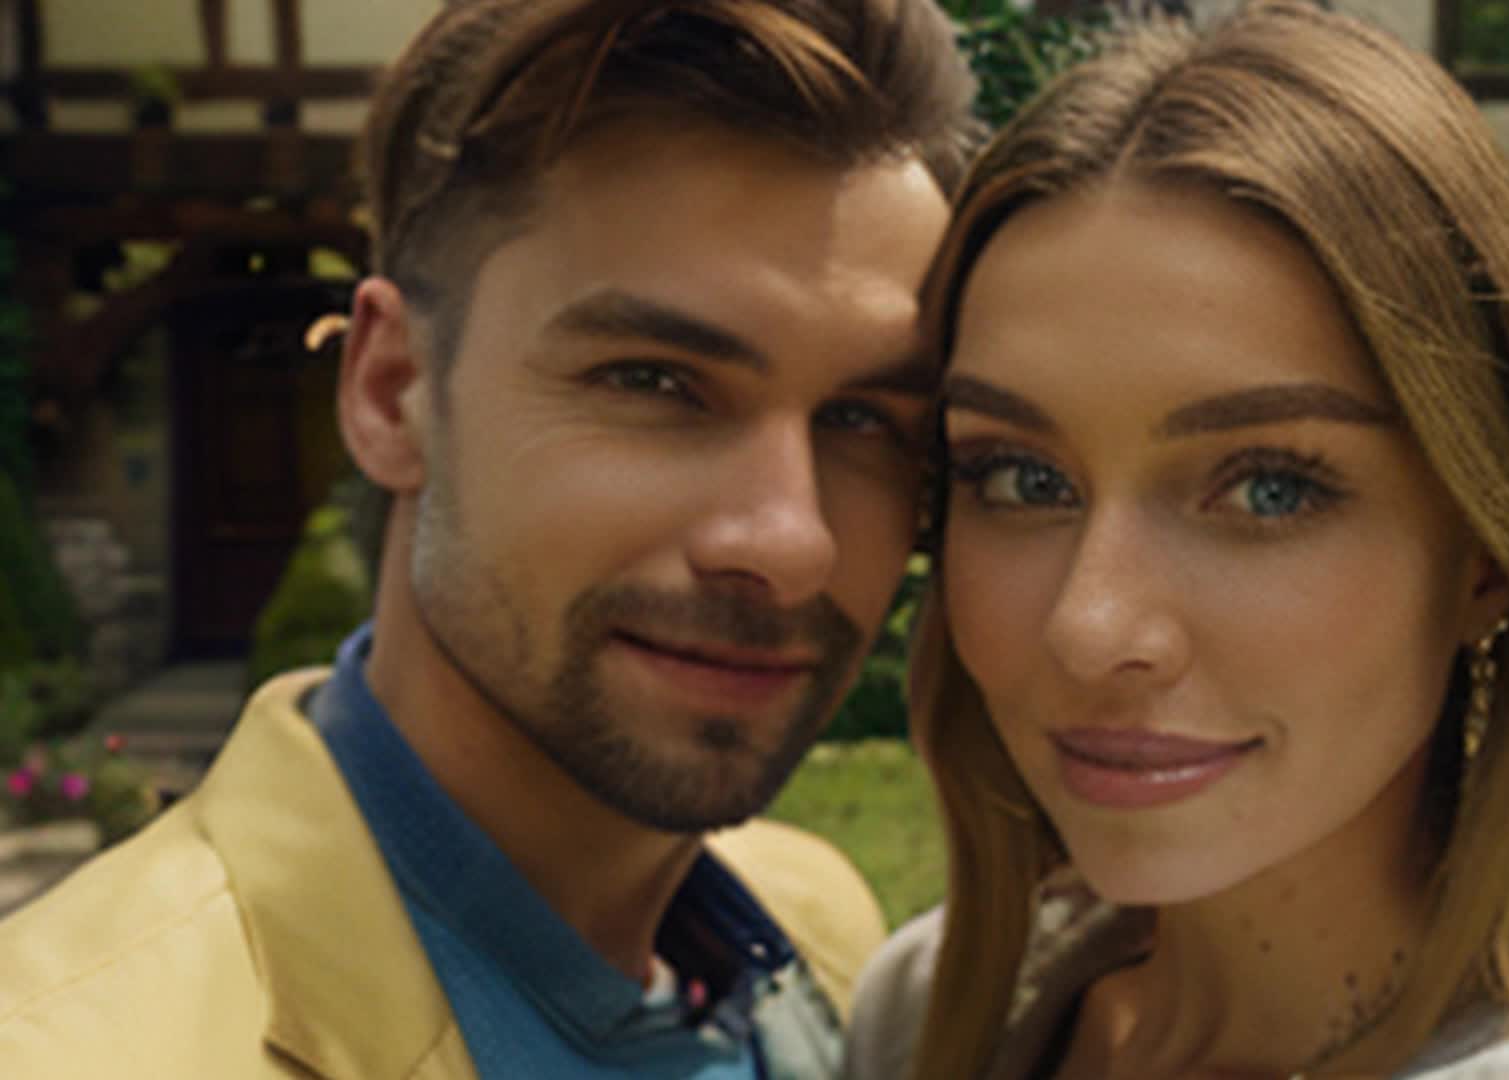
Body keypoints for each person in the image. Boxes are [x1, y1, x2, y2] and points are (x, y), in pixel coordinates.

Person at [0, 0, 975, 1075]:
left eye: (865, 422)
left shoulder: (820, 940)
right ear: (391, 392)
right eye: (654, 382)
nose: (792, 543)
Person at [848, 3, 1509, 1078]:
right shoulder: (924, 1016)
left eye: (1267, 491)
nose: (1090, 626)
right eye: (1021, 479)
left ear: (1490, 556)